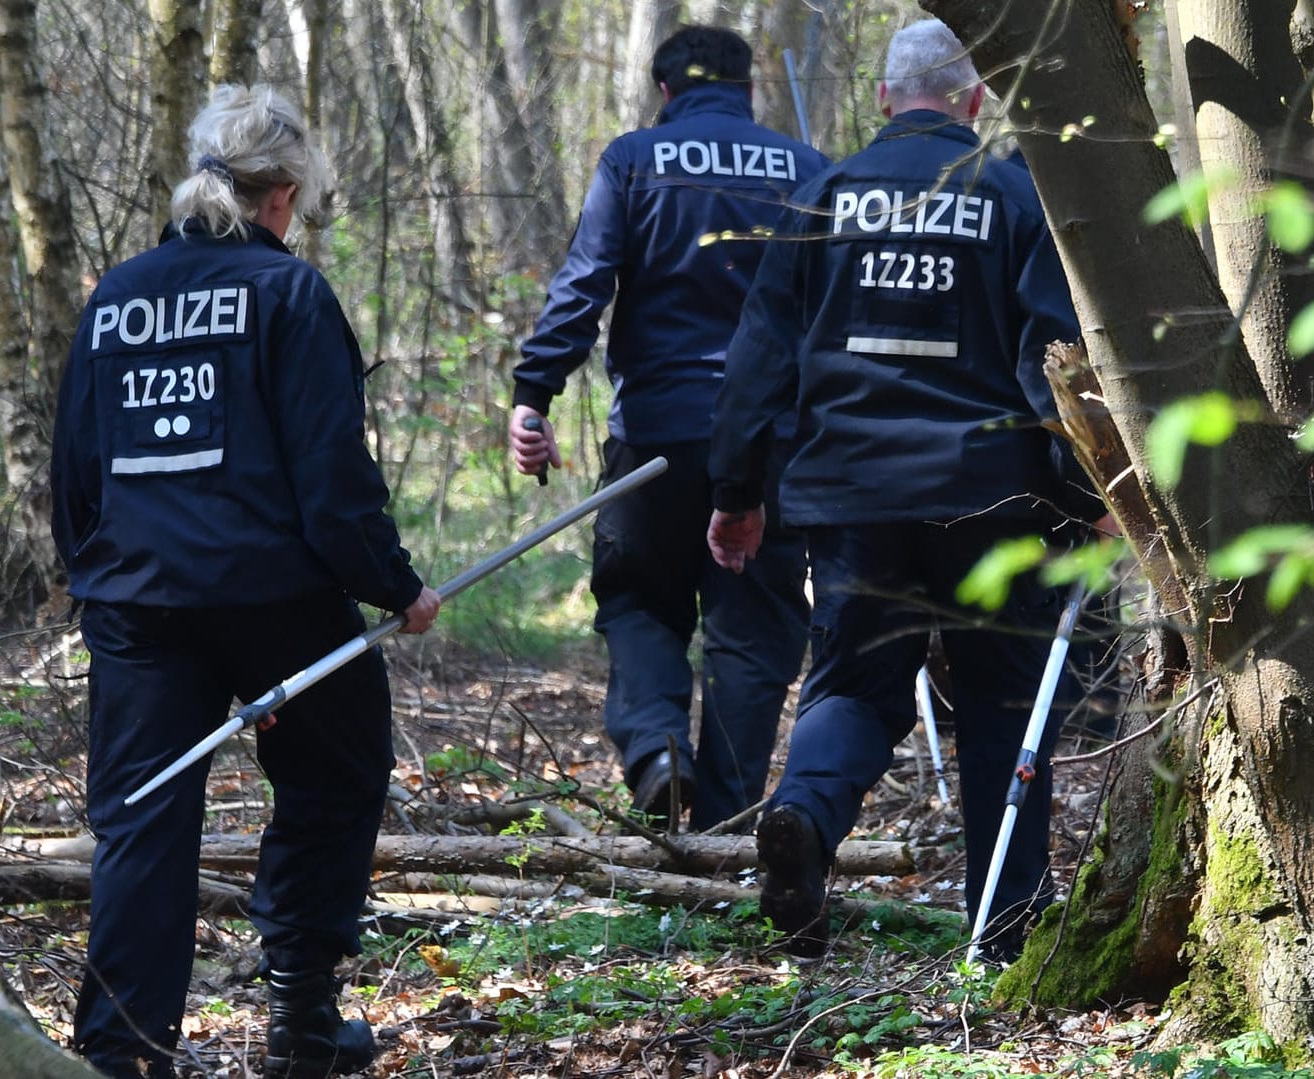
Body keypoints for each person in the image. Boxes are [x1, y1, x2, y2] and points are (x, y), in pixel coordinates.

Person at [51, 85, 441, 1079]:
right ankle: (300, 1016)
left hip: (139, 602)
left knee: (143, 811)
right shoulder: (289, 294)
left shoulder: (118, 295)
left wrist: (99, 579)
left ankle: (120, 1052)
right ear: (283, 194)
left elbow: (76, 478)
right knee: (340, 771)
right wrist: (395, 586)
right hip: (277, 596)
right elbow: (333, 482)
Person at [706, 19, 1110, 960]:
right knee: (1005, 700)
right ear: (974, 101)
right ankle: (1003, 926)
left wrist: (736, 492)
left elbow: (756, 362)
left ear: (884, 99)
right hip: (994, 498)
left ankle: (804, 813)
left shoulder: (821, 199)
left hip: (854, 497)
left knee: (852, 682)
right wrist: (1084, 488)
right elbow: (1048, 357)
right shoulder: (1013, 196)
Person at [509, 26, 828, 831]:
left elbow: (585, 284)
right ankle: (723, 825)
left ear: (664, 91)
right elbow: (832, 316)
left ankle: (656, 753)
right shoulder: (804, 168)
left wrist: (533, 393)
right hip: (768, 444)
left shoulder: (633, 159)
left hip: (652, 435)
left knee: (640, 602)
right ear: (747, 88)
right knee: (751, 630)